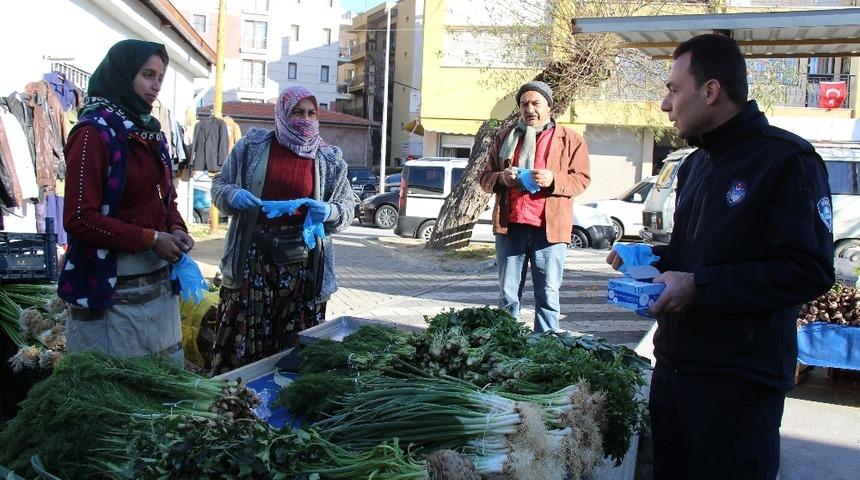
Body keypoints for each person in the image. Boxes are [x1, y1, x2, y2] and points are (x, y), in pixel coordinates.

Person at [607, 34, 834, 479]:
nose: (665, 105)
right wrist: (649, 261)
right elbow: (697, 256)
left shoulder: (786, 160)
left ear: (710, 91)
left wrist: (699, 287)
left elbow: (809, 270)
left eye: (673, 90)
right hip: (675, 372)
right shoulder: (695, 165)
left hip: (736, 387)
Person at [60, 39, 193, 362]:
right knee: (117, 381)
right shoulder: (93, 133)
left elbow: (165, 199)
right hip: (110, 290)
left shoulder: (150, 133)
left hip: (156, 284)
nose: (156, 86)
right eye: (148, 75)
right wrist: (150, 238)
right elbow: (79, 217)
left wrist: (176, 228)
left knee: (160, 379)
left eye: (160, 77)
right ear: (122, 74)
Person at [209, 86, 355, 374]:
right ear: (282, 113)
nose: (305, 119)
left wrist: (331, 211)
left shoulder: (329, 160)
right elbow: (219, 186)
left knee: (293, 352)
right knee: (243, 343)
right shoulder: (252, 147)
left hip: (304, 267)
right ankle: (239, 395)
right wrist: (232, 195)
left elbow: (348, 207)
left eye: (311, 113)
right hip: (253, 262)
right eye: (297, 112)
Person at [479, 81, 591, 333]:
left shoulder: (570, 139)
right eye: (524, 104)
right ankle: (509, 343)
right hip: (511, 228)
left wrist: (554, 179)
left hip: (549, 232)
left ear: (549, 106)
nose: (529, 109)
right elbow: (485, 178)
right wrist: (501, 178)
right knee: (508, 296)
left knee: (548, 295)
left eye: (536, 103)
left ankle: (546, 344)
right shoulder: (505, 137)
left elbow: (582, 179)